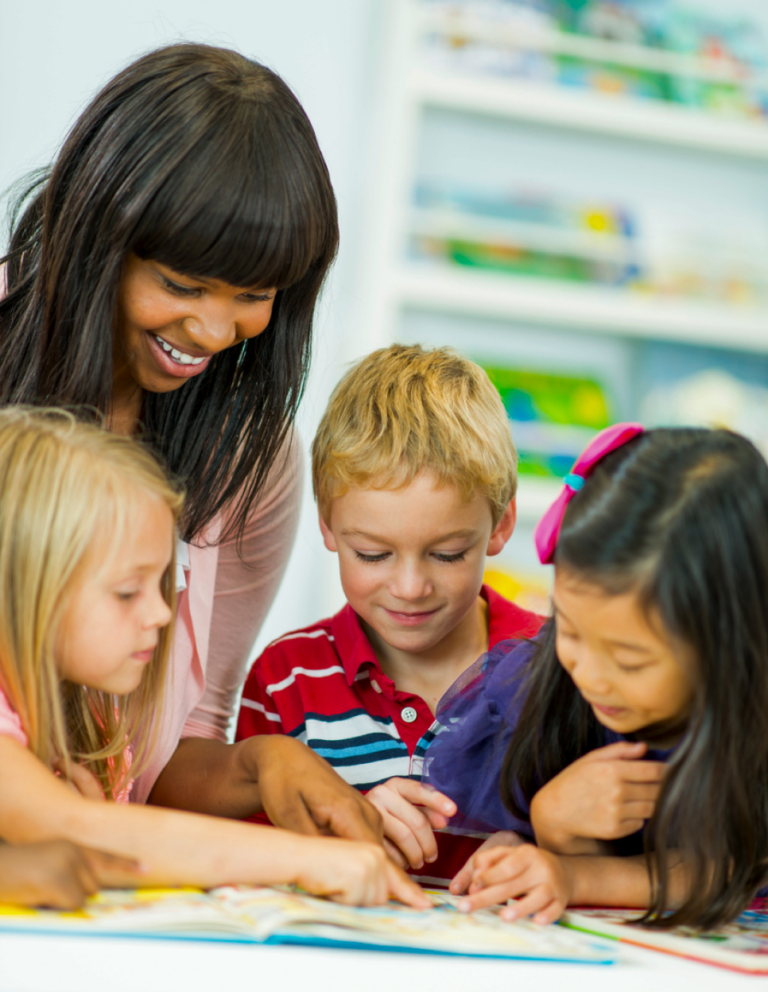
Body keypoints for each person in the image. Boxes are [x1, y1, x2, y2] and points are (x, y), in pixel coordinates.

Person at [0, 43, 381, 841]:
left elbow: (172, 750)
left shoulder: (249, 461)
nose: (212, 330)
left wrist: (260, 764)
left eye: (253, 295)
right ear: (98, 234)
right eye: (179, 283)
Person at [0, 407, 427, 907]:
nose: (162, 614)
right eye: (125, 592)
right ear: (23, 588)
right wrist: (304, 859)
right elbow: (83, 828)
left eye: (162, 584)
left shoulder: (91, 713)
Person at [426, 423, 768, 930]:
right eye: (569, 629)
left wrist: (573, 872)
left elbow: (732, 871)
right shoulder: (535, 696)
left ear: (732, 639)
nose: (590, 675)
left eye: (630, 660)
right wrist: (544, 832)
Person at [235, 345, 544, 886]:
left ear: (500, 525)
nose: (410, 588)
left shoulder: (557, 670)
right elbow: (249, 860)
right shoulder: (287, 677)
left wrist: (553, 848)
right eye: (373, 555)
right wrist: (341, 834)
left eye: (447, 554)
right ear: (328, 525)